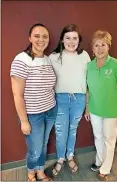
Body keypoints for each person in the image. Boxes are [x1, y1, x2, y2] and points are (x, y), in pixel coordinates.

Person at [10, 23, 57, 181]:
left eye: (45, 36)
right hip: (32, 115)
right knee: (35, 150)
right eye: (37, 36)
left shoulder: (48, 60)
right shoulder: (21, 60)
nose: (41, 40)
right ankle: (31, 174)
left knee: (43, 145)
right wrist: (24, 121)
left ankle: (41, 172)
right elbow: (17, 94)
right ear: (30, 38)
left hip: (50, 110)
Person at [85, 30, 117, 181]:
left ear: (108, 46)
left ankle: (105, 169)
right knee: (98, 137)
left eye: (103, 45)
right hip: (95, 110)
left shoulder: (116, 65)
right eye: (96, 45)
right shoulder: (89, 66)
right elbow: (88, 90)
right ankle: (99, 161)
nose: (100, 48)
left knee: (109, 140)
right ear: (92, 48)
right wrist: (87, 108)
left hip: (112, 111)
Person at [49, 24, 91, 177]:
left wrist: (87, 105)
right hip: (60, 99)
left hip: (79, 99)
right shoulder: (53, 57)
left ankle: (70, 156)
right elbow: (47, 81)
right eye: (68, 38)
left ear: (79, 40)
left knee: (72, 129)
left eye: (75, 38)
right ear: (62, 39)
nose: (71, 41)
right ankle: (60, 158)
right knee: (60, 131)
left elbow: (88, 82)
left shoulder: (84, 55)